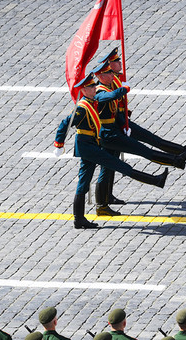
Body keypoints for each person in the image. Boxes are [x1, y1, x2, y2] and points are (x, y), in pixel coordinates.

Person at [56, 72, 167, 229]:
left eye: (94, 85)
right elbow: (65, 124)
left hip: (90, 145)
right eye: (91, 86)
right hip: (88, 147)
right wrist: (59, 144)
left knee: (83, 182)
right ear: (84, 90)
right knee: (118, 165)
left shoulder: (91, 102)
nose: (95, 88)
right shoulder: (82, 108)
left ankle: (79, 219)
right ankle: (156, 181)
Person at [94, 48, 186, 215]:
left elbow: (115, 108)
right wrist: (123, 91)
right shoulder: (102, 90)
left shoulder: (112, 82)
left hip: (117, 128)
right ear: (103, 73)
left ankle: (103, 203)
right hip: (111, 134)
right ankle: (176, 160)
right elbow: (106, 100)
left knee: (110, 166)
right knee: (139, 152)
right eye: (115, 63)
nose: (119, 65)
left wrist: (123, 123)